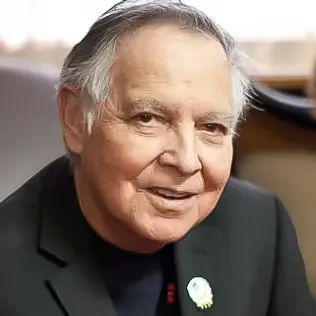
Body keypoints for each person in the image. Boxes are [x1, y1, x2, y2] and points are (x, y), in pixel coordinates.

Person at [0, 1, 314, 315]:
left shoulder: (259, 224)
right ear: (75, 118)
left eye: (211, 127)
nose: (187, 161)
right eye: (148, 119)